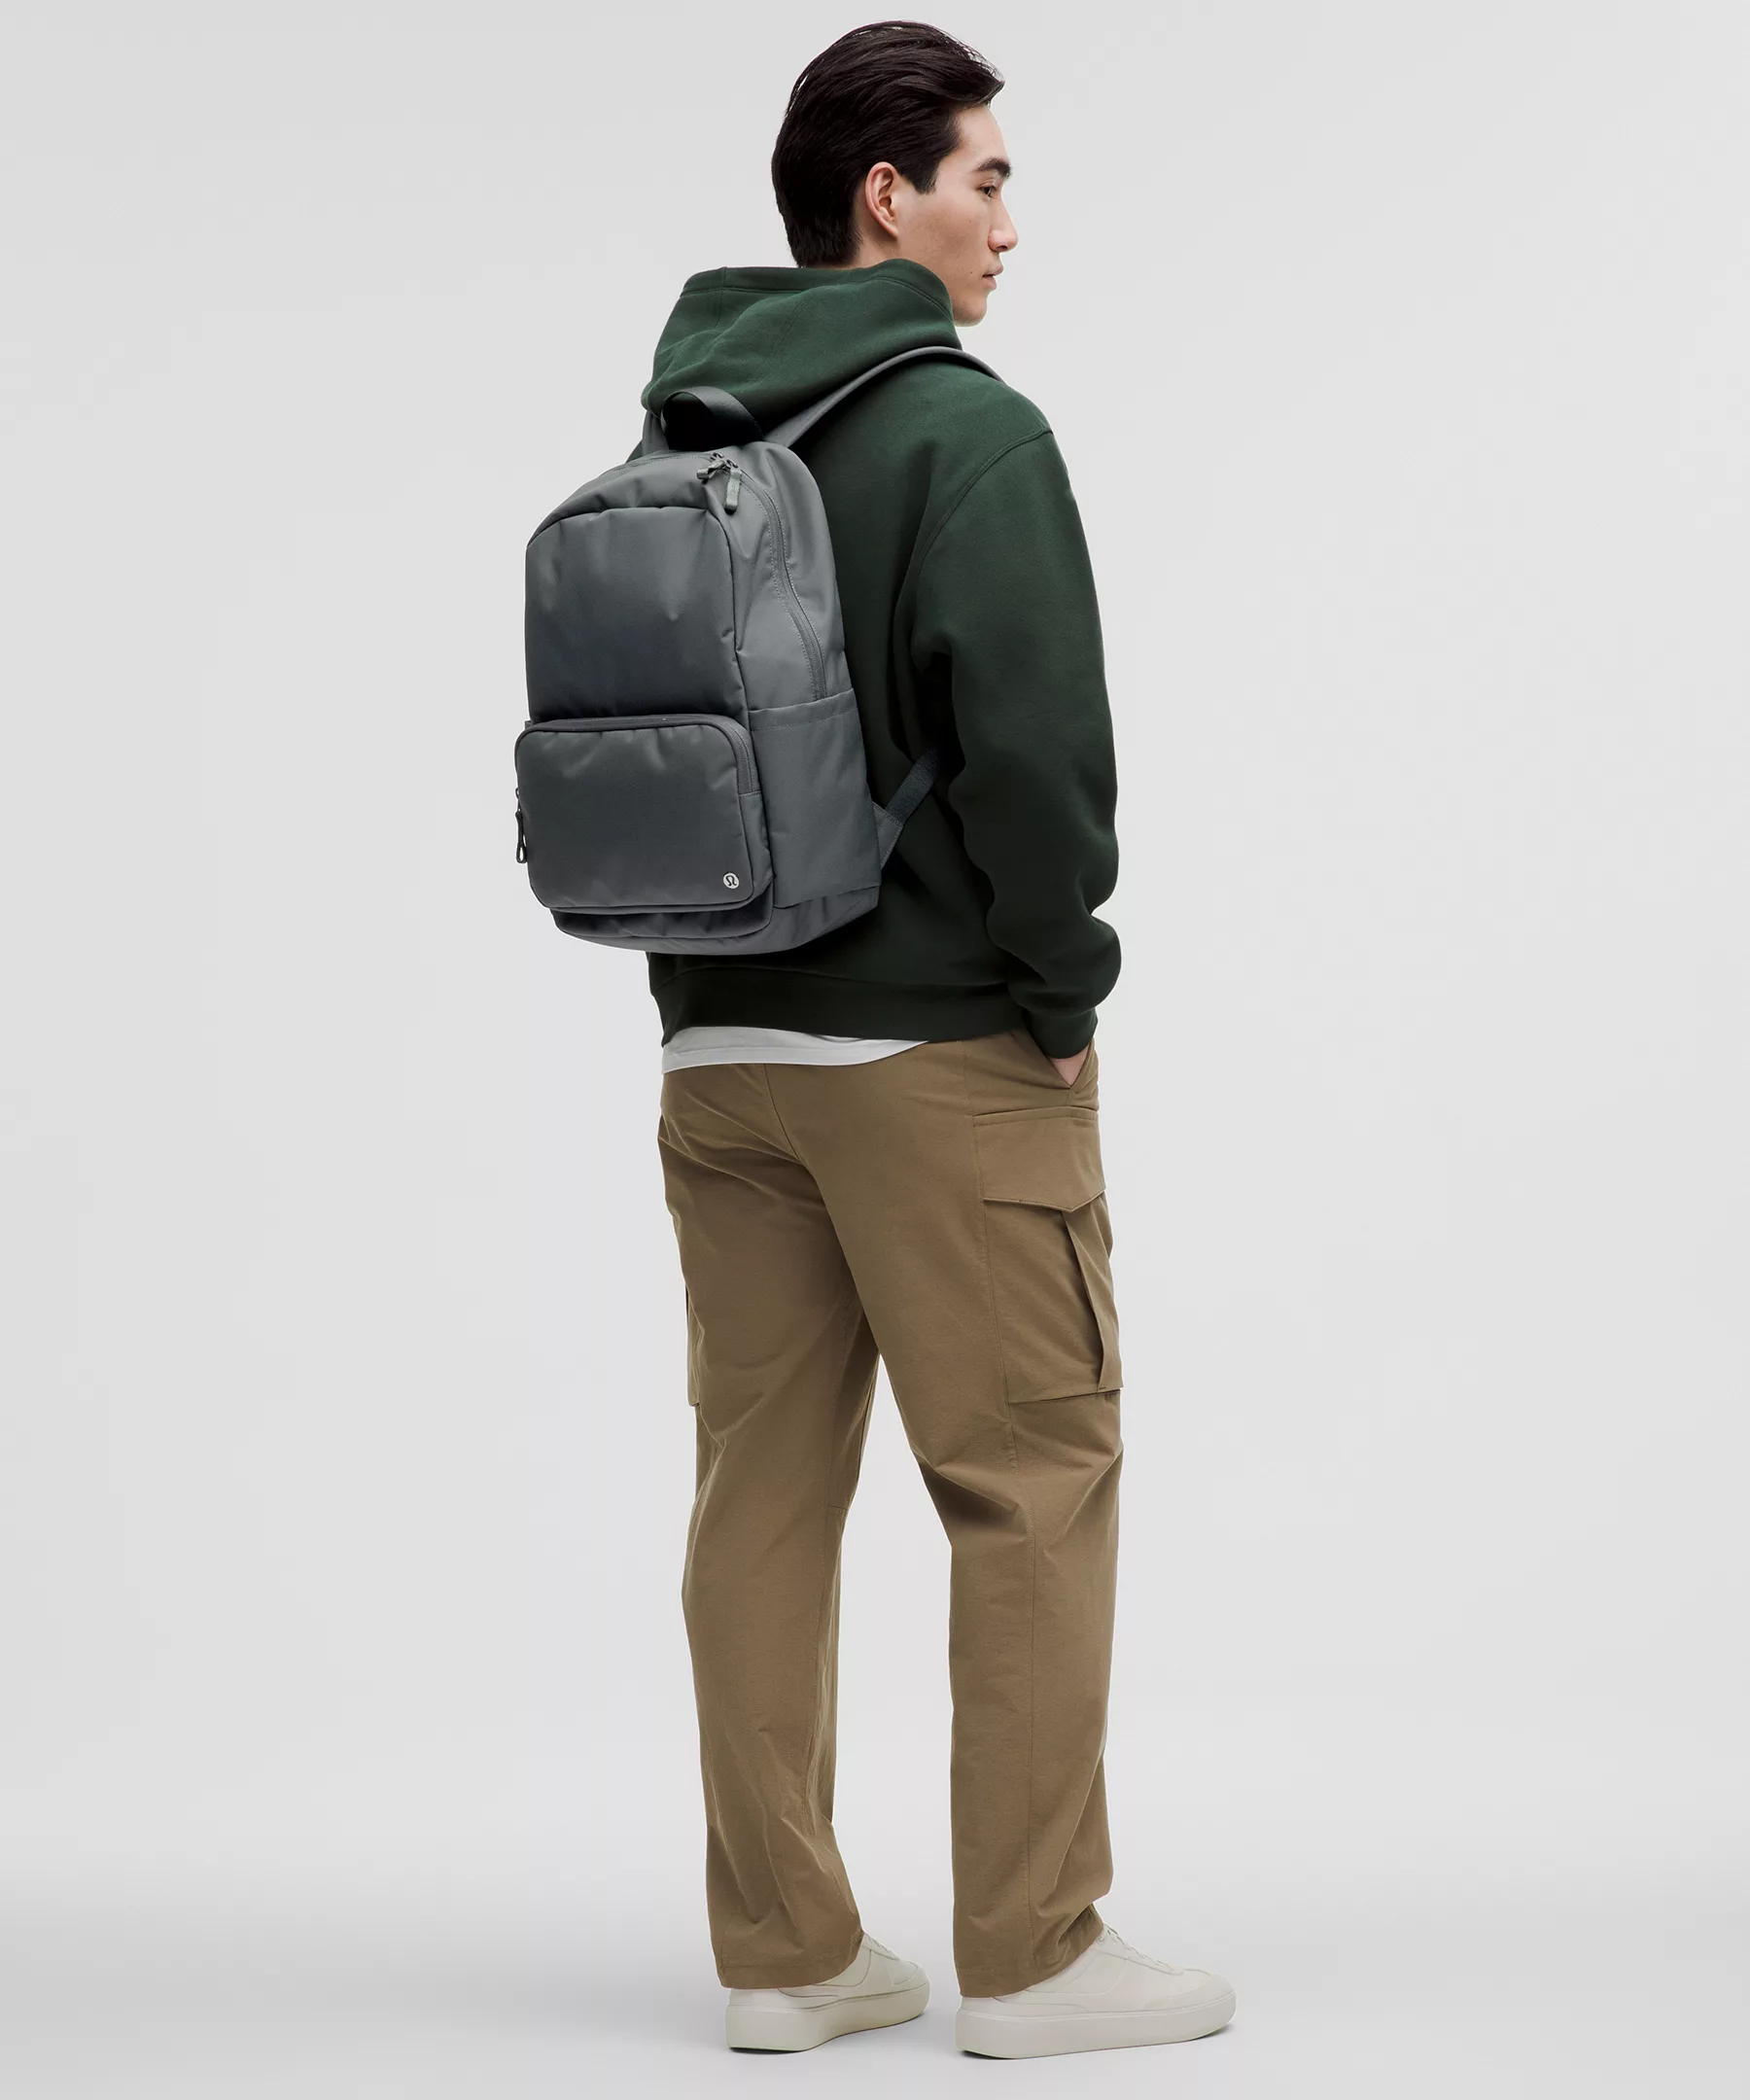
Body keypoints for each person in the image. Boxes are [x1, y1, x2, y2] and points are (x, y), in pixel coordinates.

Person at [648, 20, 1235, 2059]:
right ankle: (1037, 1955)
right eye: (986, 179)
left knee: (758, 1497)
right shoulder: (964, 437)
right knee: (1034, 1473)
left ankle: (786, 1954)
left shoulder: (687, 436)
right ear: (884, 197)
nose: (1008, 223)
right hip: (936, 1057)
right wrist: (1063, 993)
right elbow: (1040, 763)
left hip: (717, 1052)